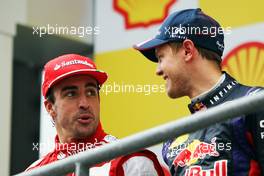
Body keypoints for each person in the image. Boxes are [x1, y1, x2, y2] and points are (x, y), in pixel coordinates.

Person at [134, 8, 264, 176]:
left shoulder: (255, 103)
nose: (158, 71)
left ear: (187, 50)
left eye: (161, 58)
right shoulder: (173, 140)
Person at [25, 54, 165, 176]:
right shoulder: (35, 172)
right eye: (71, 94)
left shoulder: (131, 160)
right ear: (50, 108)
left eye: (91, 92)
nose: (84, 103)